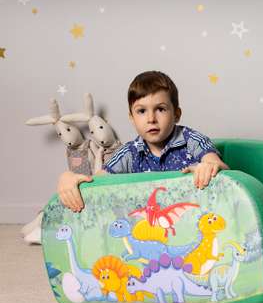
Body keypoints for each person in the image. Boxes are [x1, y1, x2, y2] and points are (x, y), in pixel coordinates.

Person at [57, 70, 229, 213]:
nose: (151, 119)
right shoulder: (129, 153)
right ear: (132, 118)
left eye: (160, 109)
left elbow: (218, 165)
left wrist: (208, 167)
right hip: (147, 226)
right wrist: (68, 177)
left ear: (176, 114)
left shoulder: (192, 140)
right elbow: (97, 183)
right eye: (141, 111)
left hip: (194, 216)